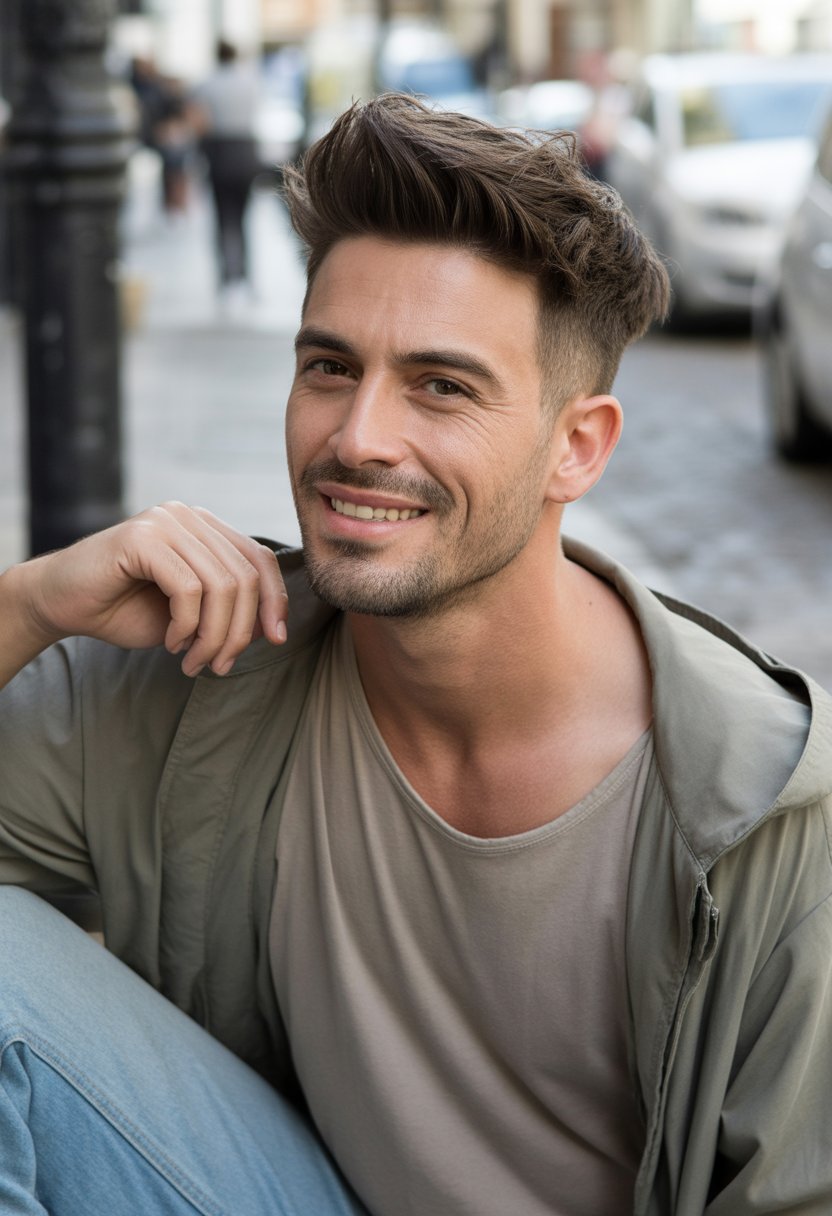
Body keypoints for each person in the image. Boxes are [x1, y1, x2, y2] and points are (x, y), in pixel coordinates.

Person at [1, 93, 831, 1216]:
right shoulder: (215, 670)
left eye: (442, 386)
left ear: (576, 447)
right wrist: (33, 599)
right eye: (330, 367)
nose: (358, 439)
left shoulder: (773, 822)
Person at [191, 39, 263, 293]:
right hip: (246, 150)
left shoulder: (206, 84)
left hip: (220, 152)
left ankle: (226, 274)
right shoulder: (251, 81)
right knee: (244, 217)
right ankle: (244, 273)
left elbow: (200, 122)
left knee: (222, 216)